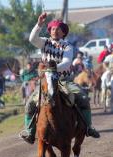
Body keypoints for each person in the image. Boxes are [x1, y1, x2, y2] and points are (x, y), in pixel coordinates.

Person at [19, 12, 100, 144]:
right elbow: (32, 39)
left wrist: (53, 69)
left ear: (63, 33)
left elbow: (67, 62)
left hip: (64, 81)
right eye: (52, 29)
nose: (55, 31)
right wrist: (39, 24)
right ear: (49, 31)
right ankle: (29, 131)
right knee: (30, 104)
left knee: (83, 97)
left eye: (58, 29)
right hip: (45, 82)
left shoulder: (67, 46)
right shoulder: (44, 42)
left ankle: (88, 127)